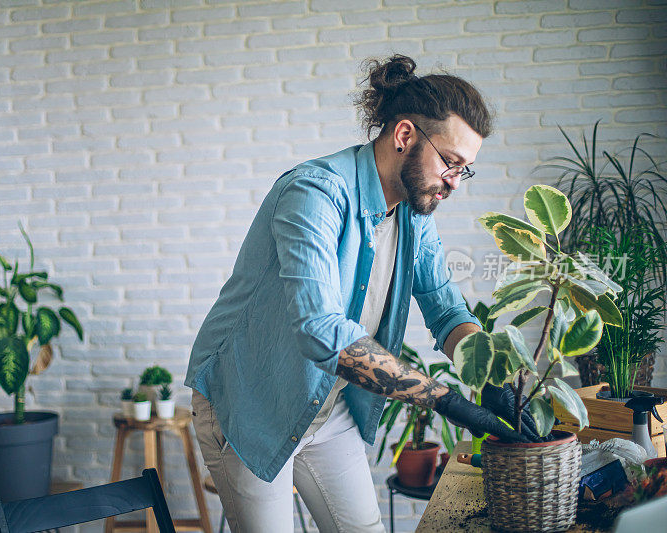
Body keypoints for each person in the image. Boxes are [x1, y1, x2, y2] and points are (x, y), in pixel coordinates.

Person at [184, 54, 534, 533]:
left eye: (464, 170)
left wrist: (489, 378)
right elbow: (321, 330)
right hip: (251, 400)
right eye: (450, 163)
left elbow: (445, 307)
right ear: (405, 135)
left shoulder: (413, 213)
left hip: (326, 405)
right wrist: (443, 399)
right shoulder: (315, 193)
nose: (454, 183)